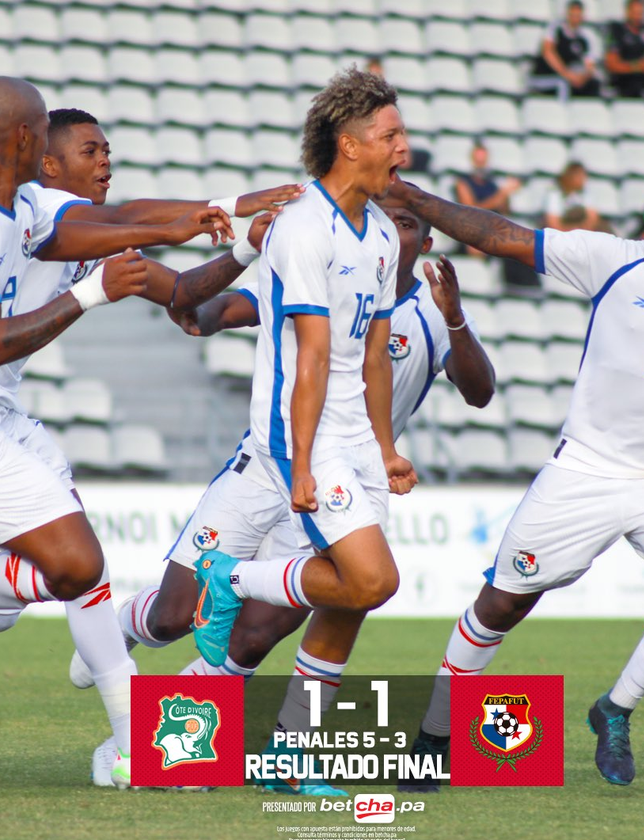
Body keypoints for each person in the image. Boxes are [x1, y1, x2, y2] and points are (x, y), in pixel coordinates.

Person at [383, 155, 644, 789]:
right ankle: (436, 733)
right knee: (502, 604)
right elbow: (498, 233)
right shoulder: (612, 260)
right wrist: (414, 197)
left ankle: (614, 710)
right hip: (584, 469)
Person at [0, 106, 302, 787]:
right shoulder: (33, 212)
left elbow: (185, 299)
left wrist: (245, 252)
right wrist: (217, 210)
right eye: (89, 149)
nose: (105, 160)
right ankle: (133, 730)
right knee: (21, 598)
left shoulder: (81, 233)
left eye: (108, 148)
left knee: (45, 585)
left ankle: (125, 713)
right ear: (46, 165)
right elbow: (129, 218)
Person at [86, 201, 496, 791]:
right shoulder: (322, 270)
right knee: (177, 613)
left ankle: (159, 747)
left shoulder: (432, 315)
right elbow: (224, 308)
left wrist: (454, 320)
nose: (393, 234)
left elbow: (479, 391)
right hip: (266, 465)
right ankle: (120, 626)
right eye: (390, 222)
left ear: (426, 245)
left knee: (255, 634)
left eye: (408, 226)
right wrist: (198, 309)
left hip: (338, 484)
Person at [188, 66, 424, 787]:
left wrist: (385, 447)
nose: (404, 149)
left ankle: (288, 751)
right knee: (372, 578)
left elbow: (375, 357)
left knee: (348, 598)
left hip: (354, 437)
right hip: (307, 433)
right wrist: (298, 463)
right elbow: (313, 356)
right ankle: (230, 576)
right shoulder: (300, 228)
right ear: (349, 145)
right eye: (391, 136)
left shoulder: (382, 232)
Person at [530, 0, 601, 100]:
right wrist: (567, 74)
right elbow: (548, 52)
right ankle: (561, 112)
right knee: (562, 84)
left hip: (571, 78)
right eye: (573, 14)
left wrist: (582, 77)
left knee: (594, 84)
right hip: (547, 76)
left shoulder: (586, 38)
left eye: (578, 15)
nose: (575, 18)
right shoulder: (555, 29)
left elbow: (590, 65)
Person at [543, 161, 612, 233]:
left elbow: (592, 218)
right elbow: (553, 223)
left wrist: (581, 231)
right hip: (562, 233)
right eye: (579, 176)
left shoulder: (586, 191)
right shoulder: (555, 193)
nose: (583, 179)